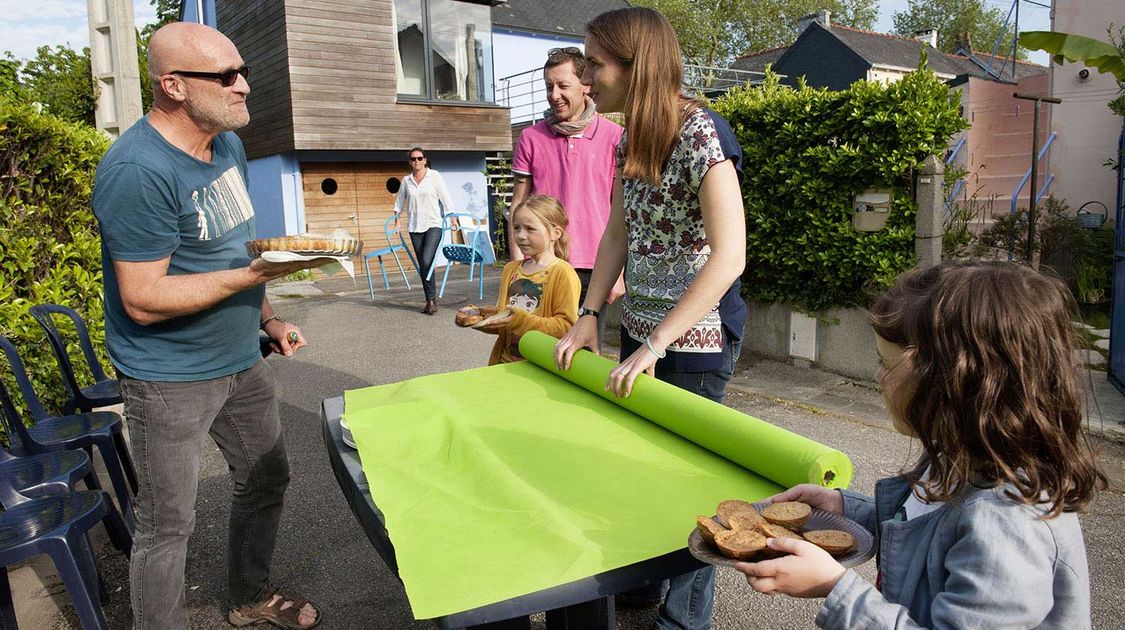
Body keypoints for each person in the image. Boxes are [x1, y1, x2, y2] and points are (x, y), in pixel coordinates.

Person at [91, 22, 322, 630]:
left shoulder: (226, 145)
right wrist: (253, 280)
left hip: (240, 357)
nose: (244, 85)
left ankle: (248, 597)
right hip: (169, 375)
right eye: (225, 76)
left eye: (242, 71)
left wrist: (267, 316)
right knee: (167, 525)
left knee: (267, 474)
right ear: (173, 86)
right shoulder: (137, 170)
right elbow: (141, 298)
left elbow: (231, 248)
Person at [736, 262, 1105, 629]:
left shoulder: (1006, 525)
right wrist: (846, 509)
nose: (878, 376)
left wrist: (835, 589)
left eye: (886, 363)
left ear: (955, 382)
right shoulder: (958, 455)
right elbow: (923, 525)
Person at [552, 8, 748, 629]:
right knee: (644, 468)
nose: (584, 75)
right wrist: (589, 315)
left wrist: (661, 339)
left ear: (637, 68)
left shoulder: (702, 134)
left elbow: (730, 253)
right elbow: (616, 231)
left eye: (595, 63)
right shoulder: (631, 136)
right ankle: (647, 583)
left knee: (689, 487)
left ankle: (683, 621)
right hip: (644, 331)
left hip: (695, 338)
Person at [510, 47, 624, 348]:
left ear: (585, 84)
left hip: (596, 266)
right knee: (536, 345)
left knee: (585, 352)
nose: (554, 94)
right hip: (544, 260)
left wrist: (620, 272)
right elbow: (518, 205)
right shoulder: (531, 138)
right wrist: (517, 262)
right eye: (549, 86)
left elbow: (622, 211)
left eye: (563, 85)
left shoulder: (615, 137)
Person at [465, 195, 580, 365]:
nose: (520, 235)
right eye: (517, 228)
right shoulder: (511, 270)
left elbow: (566, 327)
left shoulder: (562, 272)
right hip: (504, 364)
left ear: (555, 233)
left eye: (530, 229)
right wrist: (479, 316)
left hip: (540, 367)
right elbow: (504, 319)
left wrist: (520, 321)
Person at [394, 146, 457, 315]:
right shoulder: (406, 181)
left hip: (433, 225)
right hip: (414, 227)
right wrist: (397, 219)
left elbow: (445, 197)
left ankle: (431, 299)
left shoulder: (434, 176)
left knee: (427, 260)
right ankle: (430, 301)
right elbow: (399, 202)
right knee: (423, 264)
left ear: (425, 160)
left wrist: (452, 216)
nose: (417, 161)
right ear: (410, 162)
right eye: (413, 159)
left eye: (419, 158)